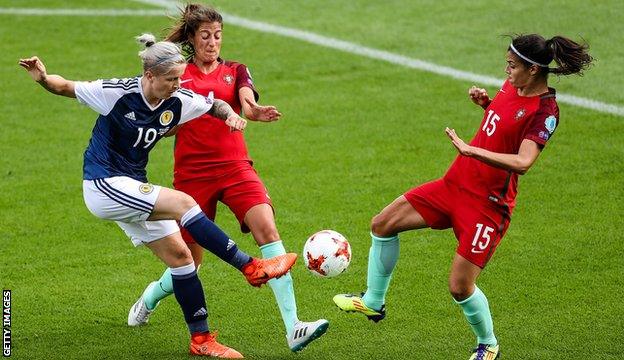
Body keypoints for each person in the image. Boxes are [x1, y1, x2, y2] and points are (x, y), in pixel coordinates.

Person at [19, 33, 299, 358]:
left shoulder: (176, 99)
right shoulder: (116, 93)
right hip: (103, 183)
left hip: (131, 187)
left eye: (180, 78)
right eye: (171, 79)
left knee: (182, 259)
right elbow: (64, 86)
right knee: (184, 204)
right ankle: (250, 267)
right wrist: (42, 78)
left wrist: (231, 116)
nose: (178, 84)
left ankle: (202, 340)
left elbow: (214, 104)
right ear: (149, 76)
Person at [333, 33, 593, 359]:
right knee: (382, 224)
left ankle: (488, 344)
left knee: (459, 287)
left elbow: (523, 162)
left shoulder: (545, 110)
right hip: (454, 184)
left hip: (487, 206)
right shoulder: (513, 86)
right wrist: (486, 105)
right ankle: (373, 301)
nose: (506, 70)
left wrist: (472, 151)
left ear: (533, 69)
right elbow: (502, 123)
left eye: (512, 66)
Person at [128, 4, 328, 352]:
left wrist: (254, 113)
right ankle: (149, 297)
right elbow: (166, 123)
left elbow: (247, 104)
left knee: (267, 228)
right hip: (192, 176)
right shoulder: (178, 74)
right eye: (205, 35)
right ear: (192, 38)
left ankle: (294, 326)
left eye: (218, 35)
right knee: (189, 260)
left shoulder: (235, 71)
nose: (212, 42)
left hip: (236, 168)